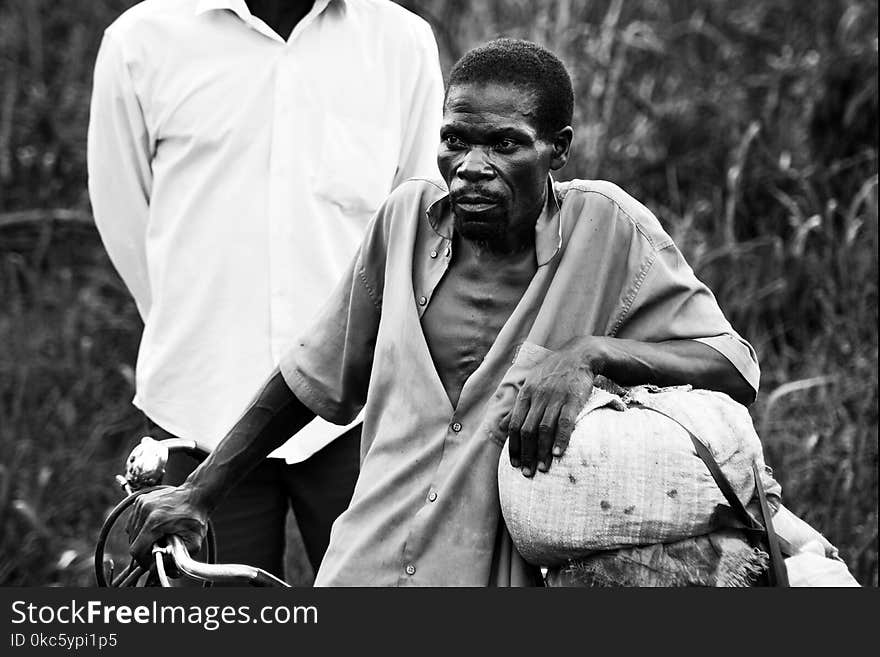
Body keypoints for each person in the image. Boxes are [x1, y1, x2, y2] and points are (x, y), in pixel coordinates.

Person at [126, 38, 760, 586]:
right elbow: (310, 375)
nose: (471, 169)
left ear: (557, 149)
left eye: (505, 145)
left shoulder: (606, 229)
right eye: (455, 141)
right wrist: (200, 492)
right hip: (363, 569)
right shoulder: (404, 221)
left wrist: (589, 355)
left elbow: (733, 366)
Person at [87, 0, 444, 581]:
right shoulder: (140, 42)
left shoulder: (401, 42)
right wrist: (189, 323)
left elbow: (419, 225)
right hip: (203, 409)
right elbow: (123, 214)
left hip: (360, 419)